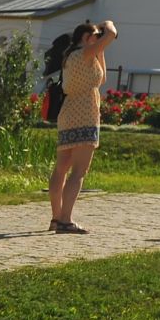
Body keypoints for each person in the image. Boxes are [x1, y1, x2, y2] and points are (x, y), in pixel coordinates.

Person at [47, 19, 117, 233]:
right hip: (85, 113)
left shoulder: (73, 56)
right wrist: (107, 25)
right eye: (96, 37)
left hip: (68, 114)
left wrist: (101, 51)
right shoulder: (83, 53)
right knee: (79, 171)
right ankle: (66, 220)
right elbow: (112, 34)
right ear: (87, 38)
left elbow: (101, 78)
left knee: (61, 169)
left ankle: (56, 218)